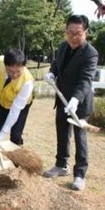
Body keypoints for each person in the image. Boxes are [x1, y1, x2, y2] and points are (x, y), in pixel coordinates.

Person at [43, 14, 98, 191]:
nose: (74, 37)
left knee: (80, 138)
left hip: (79, 103)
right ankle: (61, 165)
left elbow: (85, 80)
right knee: (62, 133)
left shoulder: (90, 54)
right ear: (66, 32)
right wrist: (52, 73)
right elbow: (56, 64)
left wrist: (75, 99)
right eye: (70, 33)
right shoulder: (62, 47)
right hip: (62, 99)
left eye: (78, 33)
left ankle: (80, 174)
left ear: (86, 33)